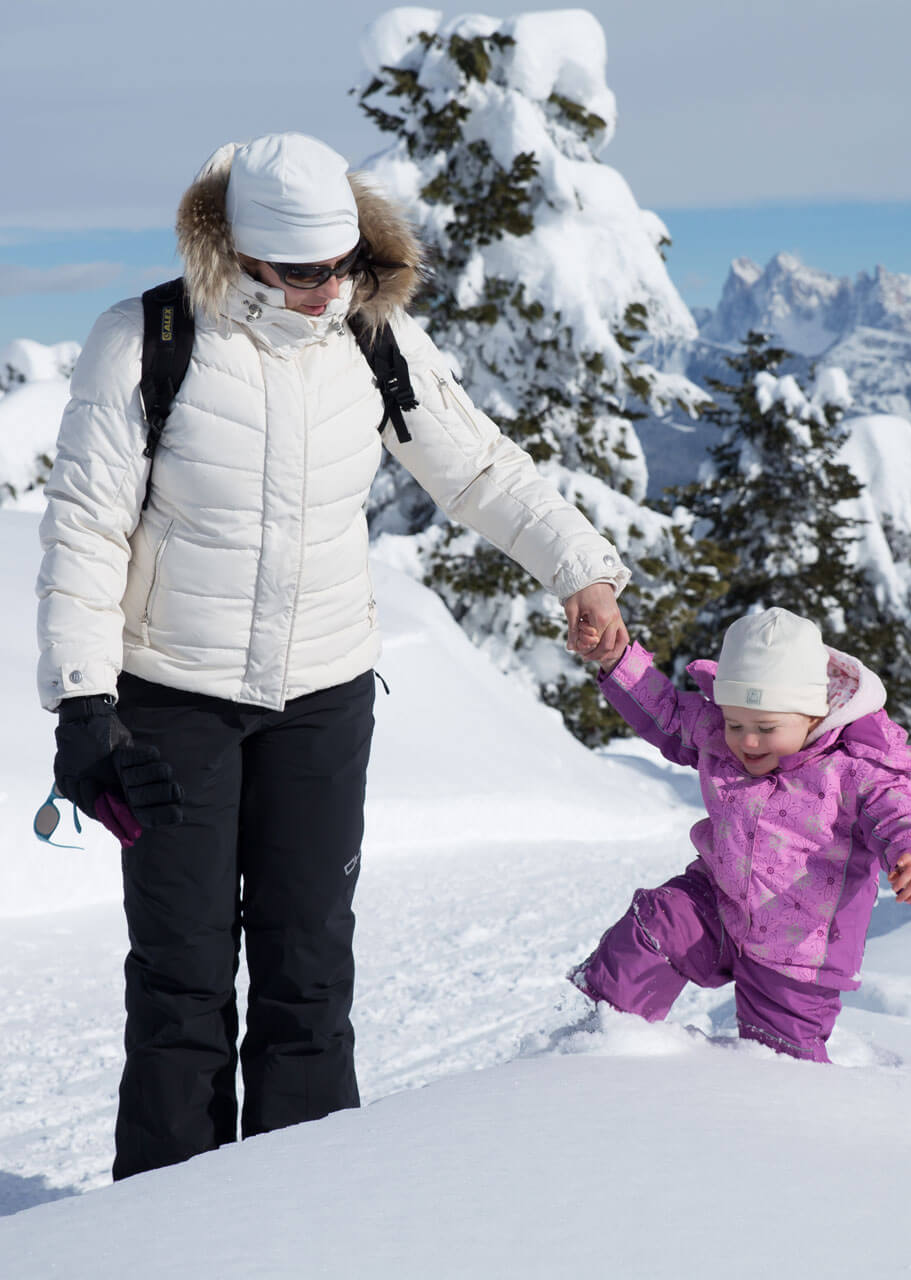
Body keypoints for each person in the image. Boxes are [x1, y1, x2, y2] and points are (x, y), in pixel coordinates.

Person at [36, 131, 631, 1179]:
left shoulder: (373, 335)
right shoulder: (146, 338)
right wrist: (84, 703)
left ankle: (304, 1211)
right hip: (171, 698)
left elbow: (478, 467)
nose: (327, 289)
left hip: (322, 698)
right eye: (303, 272)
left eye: (343, 265)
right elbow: (85, 529)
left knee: (308, 969)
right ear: (242, 252)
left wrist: (578, 569)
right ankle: (165, 1229)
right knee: (180, 983)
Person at [569, 607, 911, 1062]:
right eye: (736, 724)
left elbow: (902, 813)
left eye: (766, 729)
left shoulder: (856, 767)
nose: (747, 742)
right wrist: (618, 662)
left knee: (780, 1062)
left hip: (799, 952)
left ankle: (779, 1116)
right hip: (717, 904)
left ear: (813, 715)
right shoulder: (717, 733)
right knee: (658, 921)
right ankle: (605, 1039)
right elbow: (667, 714)